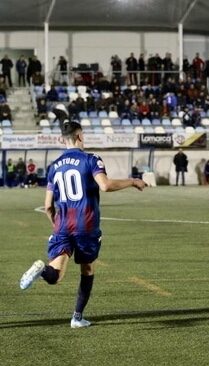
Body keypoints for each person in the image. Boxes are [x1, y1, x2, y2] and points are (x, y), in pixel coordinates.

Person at [19, 108, 147, 328]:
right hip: (86, 225)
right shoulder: (91, 159)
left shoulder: (53, 167)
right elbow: (105, 185)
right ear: (79, 136)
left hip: (62, 225)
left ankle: (41, 271)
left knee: (56, 275)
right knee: (87, 269)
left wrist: (56, 224)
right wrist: (133, 181)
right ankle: (77, 317)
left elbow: (48, 205)